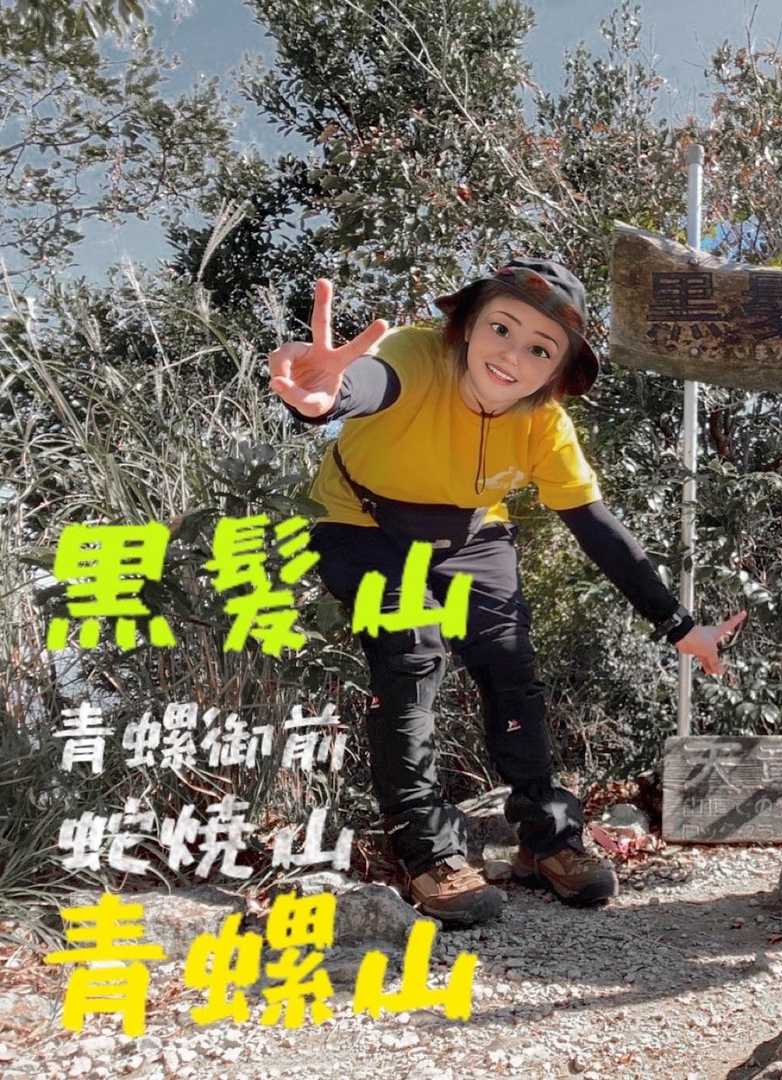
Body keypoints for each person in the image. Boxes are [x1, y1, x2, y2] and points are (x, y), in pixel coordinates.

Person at [268, 258, 746, 925]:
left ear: (557, 372)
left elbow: (597, 529)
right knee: (412, 652)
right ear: (467, 326)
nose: (511, 356)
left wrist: (680, 626)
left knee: (510, 665)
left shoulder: (544, 424)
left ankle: (548, 839)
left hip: (469, 532)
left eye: (540, 349)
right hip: (361, 522)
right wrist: (329, 395)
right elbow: (367, 383)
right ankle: (427, 851)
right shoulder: (413, 354)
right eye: (501, 328)